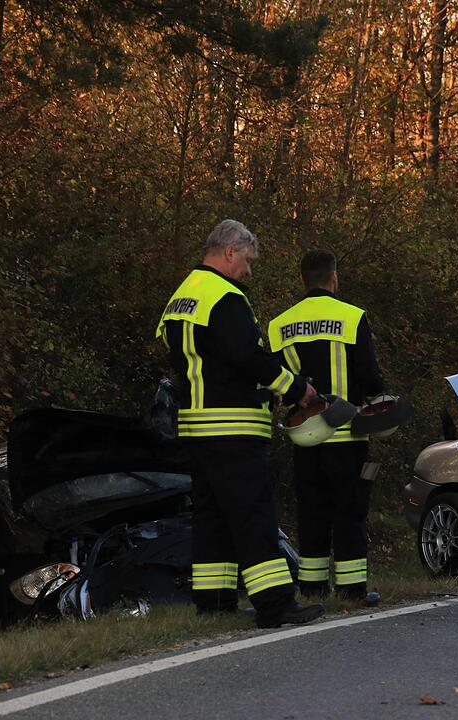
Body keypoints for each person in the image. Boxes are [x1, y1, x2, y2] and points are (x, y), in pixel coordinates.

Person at [156, 219, 324, 628]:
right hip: (232, 426)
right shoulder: (225, 297)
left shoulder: (181, 297)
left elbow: (188, 355)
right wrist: (296, 387)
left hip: (196, 427)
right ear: (230, 251)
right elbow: (247, 357)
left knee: (212, 517)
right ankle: (276, 605)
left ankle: (213, 602)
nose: (249, 270)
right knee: (253, 516)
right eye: (247, 260)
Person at [268, 249, 383, 606]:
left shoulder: (279, 325)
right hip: (348, 436)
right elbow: (371, 378)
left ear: (303, 280)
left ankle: (313, 588)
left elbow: (278, 384)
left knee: (311, 510)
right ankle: (351, 591)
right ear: (334, 278)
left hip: (305, 436)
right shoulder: (352, 317)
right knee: (349, 510)